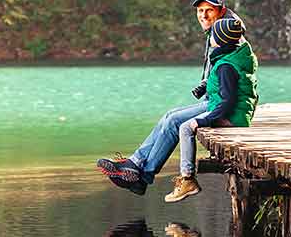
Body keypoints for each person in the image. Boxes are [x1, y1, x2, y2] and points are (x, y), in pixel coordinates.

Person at [99, 13, 259, 203]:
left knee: (184, 126)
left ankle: (181, 179)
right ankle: (136, 165)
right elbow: (228, 91)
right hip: (222, 105)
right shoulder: (234, 53)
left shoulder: (227, 65)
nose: (210, 36)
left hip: (230, 114)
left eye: (214, 34)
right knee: (171, 115)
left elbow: (228, 101)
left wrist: (202, 121)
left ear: (220, 40)